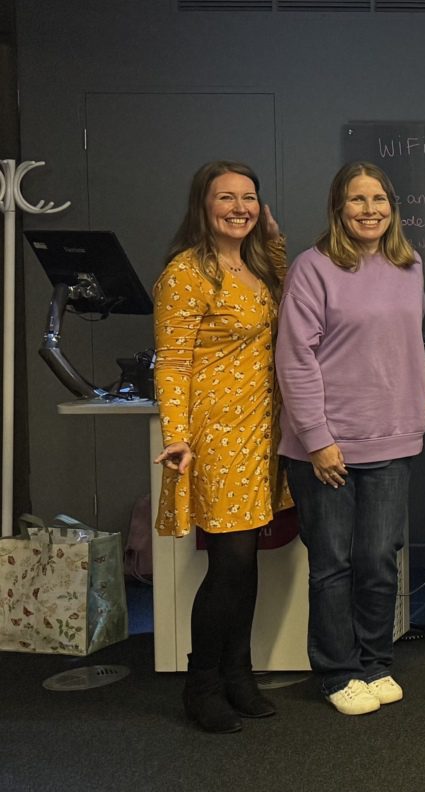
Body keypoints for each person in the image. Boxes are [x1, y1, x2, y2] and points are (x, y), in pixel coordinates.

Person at [276, 162, 425, 715]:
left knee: (380, 559)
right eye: (357, 200)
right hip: (327, 446)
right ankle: (338, 672)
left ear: (392, 205)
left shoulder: (408, 264)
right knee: (333, 564)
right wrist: (317, 438)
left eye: (379, 198)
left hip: (390, 440)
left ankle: (375, 661)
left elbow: (400, 350)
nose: (370, 210)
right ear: (338, 207)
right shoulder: (313, 268)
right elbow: (294, 359)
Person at [153, 160, 289, 733]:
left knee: (247, 558)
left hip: (264, 430)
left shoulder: (261, 264)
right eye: (225, 198)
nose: (239, 207)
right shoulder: (187, 273)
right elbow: (173, 361)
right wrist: (176, 436)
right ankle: (201, 682)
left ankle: (239, 673)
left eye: (249, 197)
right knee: (229, 562)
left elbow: (279, 246)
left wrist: (258, 219)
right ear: (200, 206)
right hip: (217, 433)